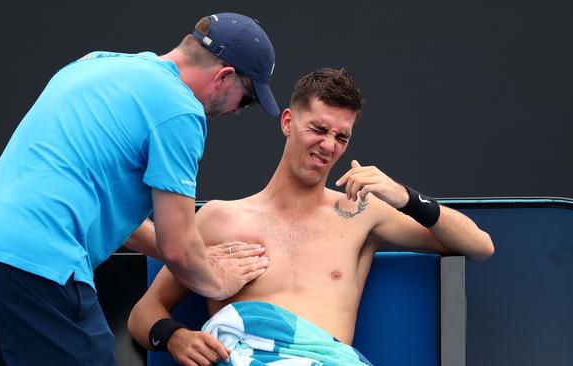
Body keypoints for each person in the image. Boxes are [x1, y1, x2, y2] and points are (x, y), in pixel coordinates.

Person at [0, 13, 277, 365]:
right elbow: (178, 248)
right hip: (39, 265)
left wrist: (199, 257)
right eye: (247, 99)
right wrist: (218, 280)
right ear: (224, 76)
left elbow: (116, 217)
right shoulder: (180, 110)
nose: (239, 110)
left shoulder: (93, 64)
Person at [127, 68, 495, 366]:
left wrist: (404, 197)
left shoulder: (361, 215)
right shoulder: (219, 218)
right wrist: (175, 336)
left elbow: (479, 245)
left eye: (341, 137)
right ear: (288, 122)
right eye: (318, 129)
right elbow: (143, 314)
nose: (329, 145)